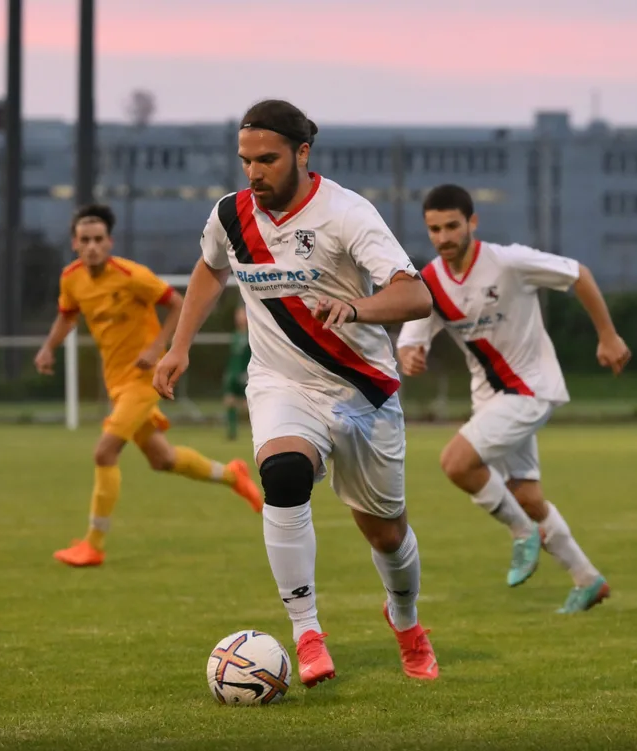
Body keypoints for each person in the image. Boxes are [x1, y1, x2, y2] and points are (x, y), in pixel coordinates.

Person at [155, 99, 439, 686]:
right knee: (283, 475)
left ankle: (407, 622)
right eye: (245, 161)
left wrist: (356, 307)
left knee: (386, 532)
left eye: (267, 160)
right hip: (282, 383)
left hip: (363, 390)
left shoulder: (346, 213)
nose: (253, 174)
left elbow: (416, 297)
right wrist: (180, 346)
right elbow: (210, 269)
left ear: (302, 153)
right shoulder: (231, 216)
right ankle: (307, 633)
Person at [396, 184, 629, 614]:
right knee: (526, 495)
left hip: (531, 387)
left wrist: (608, 335)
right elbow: (413, 335)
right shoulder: (429, 281)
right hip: (490, 400)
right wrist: (411, 352)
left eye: (452, 226)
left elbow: (579, 273)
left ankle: (522, 534)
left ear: (472, 223)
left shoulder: (508, 262)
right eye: (434, 229)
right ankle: (587, 578)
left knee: (456, 462)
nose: (444, 236)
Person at [35, 204, 263, 569]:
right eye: (85, 240)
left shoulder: (131, 275)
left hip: (144, 380)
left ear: (109, 242)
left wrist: (158, 347)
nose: (92, 246)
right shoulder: (71, 279)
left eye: (98, 239)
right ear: (75, 244)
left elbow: (176, 303)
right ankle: (232, 475)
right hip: (117, 383)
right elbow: (67, 315)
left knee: (104, 452)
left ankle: (93, 544)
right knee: (163, 459)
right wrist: (48, 349)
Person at [222, 306, 251, 440]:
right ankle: (232, 432)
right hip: (233, 374)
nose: (239, 317)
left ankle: (261, 432)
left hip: (245, 375)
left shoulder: (251, 334)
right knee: (229, 401)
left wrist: (247, 372)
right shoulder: (235, 334)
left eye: (242, 314)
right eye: (238, 315)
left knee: (248, 406)